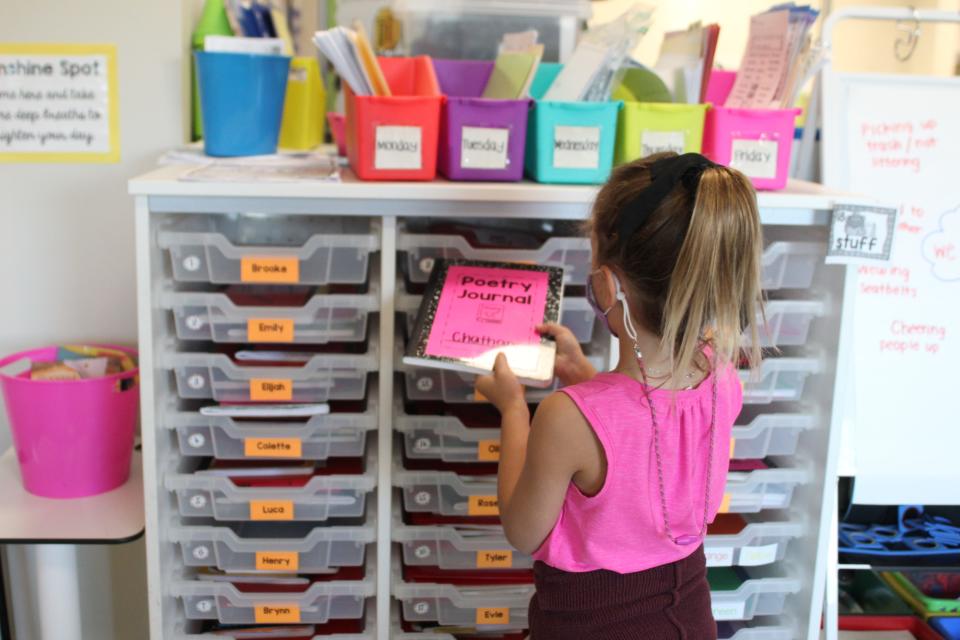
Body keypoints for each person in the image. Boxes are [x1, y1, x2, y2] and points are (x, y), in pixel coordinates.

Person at [475, 152, 765, 639]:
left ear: (607, 285)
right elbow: (645, 429)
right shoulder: (720, 378)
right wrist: (585, 375)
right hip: (690, 614)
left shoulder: (565, 417)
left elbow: (523, 530)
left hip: (589, 625)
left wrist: (511, 410)